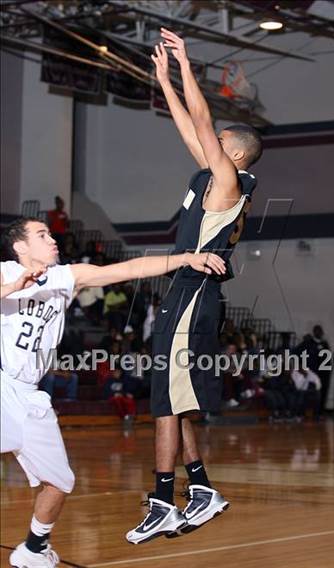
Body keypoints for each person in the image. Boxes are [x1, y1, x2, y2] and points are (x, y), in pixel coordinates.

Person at [0, 216, 225, 567]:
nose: (53, 239)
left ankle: (34, 548)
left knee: (60, 481)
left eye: (51, 233)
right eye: (42, 235)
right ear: (20, 246)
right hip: (2, 384)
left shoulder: (65, 276)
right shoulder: (5, 271)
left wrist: (183, 259)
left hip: (30, 394)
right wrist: (12, 288)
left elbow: (129, 268)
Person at [126, 29, 263, 545]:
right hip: (183, 296)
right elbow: (192, 130)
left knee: (164, 403)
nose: (210, 144)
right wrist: (164, 80)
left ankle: (164, 500)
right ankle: (201, 488)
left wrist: (187, 65)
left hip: (194, 299)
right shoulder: (211, 177)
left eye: (220, 143)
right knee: (172, 398)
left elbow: (203, 123)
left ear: (235, 154)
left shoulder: (229, 185)